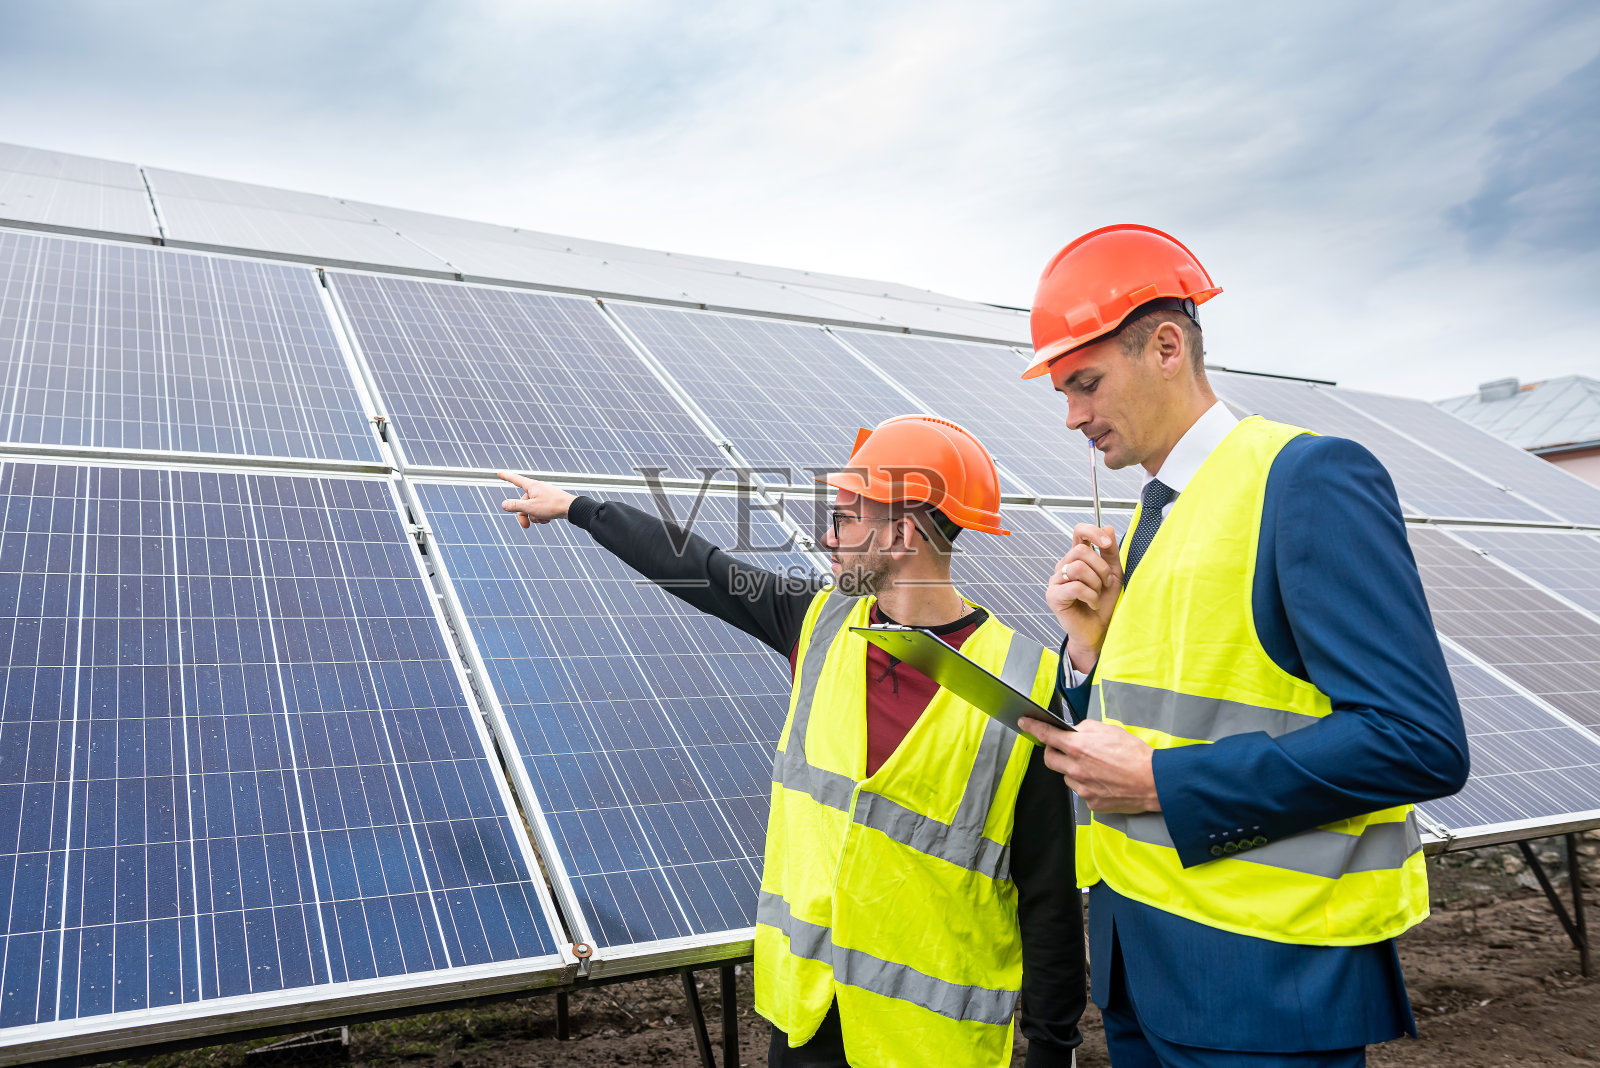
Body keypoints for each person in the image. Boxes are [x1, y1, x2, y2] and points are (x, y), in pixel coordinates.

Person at [1014, 224, 1470, 1066]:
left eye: (1084, 383)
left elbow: (1418, 743)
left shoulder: (1306, 478)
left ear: (1165, 346)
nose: (1073, 415)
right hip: (1141, 969)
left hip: (1261, 981)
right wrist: (1088, 655)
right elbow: (1172, 704)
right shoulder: (1158, 517)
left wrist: (1160, 781)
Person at [498, 414, 1085, 1068]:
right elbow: (699, 566)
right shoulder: (819, 622)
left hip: (932, 1046)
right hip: (807, 1023)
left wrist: (1052, 1050)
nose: (828, 537)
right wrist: (581, 508)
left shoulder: (1019, 685)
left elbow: (1047, 891)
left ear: (899, 533)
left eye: (844, 518)